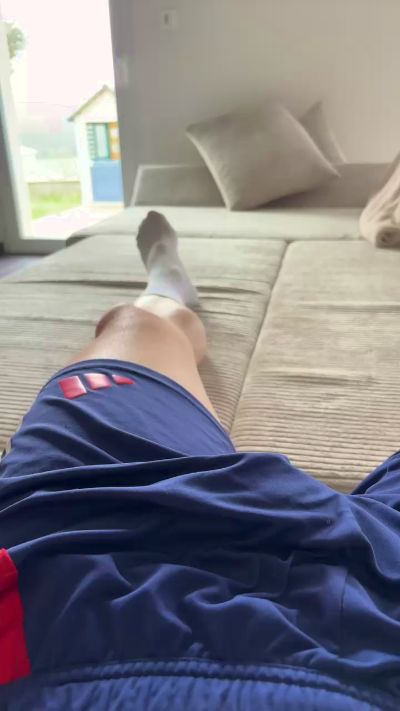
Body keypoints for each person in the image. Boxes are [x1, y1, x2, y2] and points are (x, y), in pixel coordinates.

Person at [0, 212, 399, 710]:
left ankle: (166, 290)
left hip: (66, 562)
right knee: (140, 329)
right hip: (357, 615)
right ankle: (167, 291)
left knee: (134, 326)